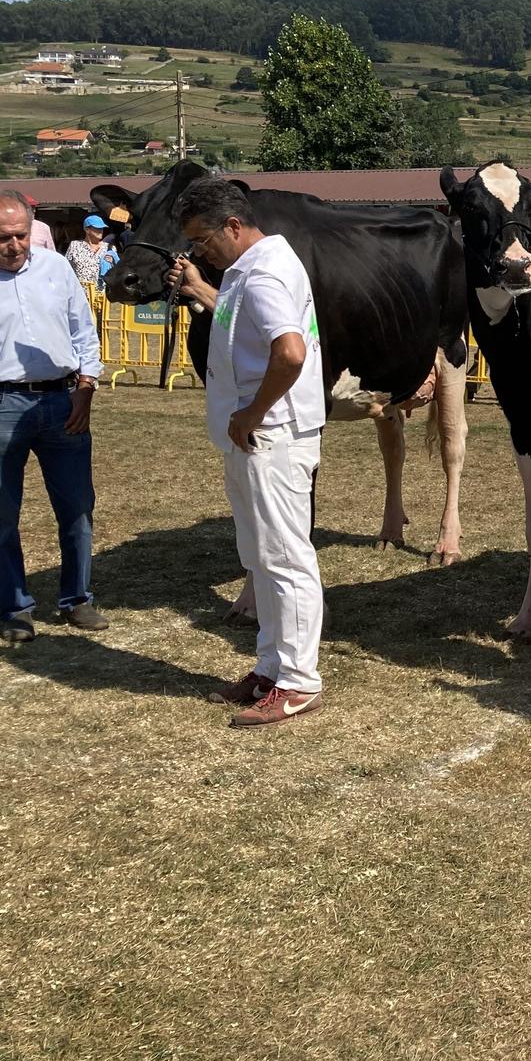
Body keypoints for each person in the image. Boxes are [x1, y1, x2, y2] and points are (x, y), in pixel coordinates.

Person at [166, 178, 329, 728]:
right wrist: (200, 289)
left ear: (234, 226)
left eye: (203, 240)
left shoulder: (263, 274)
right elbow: (249, 331)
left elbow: (289, 352)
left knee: (284, 558)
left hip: (272, 437)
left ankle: (299, 681)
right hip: (256, 438)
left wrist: (252, 412)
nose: (200, 251)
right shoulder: (248, 272)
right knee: (261, 558)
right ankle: (271, 667)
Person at [0, 188, 105, 642]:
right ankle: (15, 607)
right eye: (3, 238)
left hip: (63, 402)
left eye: (22, 235)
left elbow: (84, 332)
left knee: (77, 507)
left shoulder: (57, 267)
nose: (15, 246)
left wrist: (86, 388)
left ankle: (78, 599)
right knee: (3, 513)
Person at [63, 215, 116, 288]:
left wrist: (113, 263)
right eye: (97, 228)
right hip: (81, 294)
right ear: (86, 229)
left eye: (102, 228)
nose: (100, 231)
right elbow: (66, 269)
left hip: (102, 295)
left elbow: (118, 271)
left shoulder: (109, 248)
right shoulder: (75, 246)